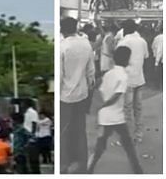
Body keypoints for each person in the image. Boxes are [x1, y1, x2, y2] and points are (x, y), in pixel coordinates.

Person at [87, 45, 143, 174]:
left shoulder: (108, 73)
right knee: (128, 146)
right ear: (127, 59)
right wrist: (105, 104)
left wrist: (99, 105)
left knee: (100, 146)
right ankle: (138, 171)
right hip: (116, 117)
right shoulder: (123, 75)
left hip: (104, 117)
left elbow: (96, 88)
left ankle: (89, 169)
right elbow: (117, 94)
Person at [59, 17, 94, 173]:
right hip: (82, 93)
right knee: (80, 129)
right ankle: (82, 162)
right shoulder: (86, 44)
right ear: (76, 28)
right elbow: (91, 71)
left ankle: (65, 163)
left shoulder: (62, 47)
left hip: (65, 96)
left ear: (62, 30)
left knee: (64, 130)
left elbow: (59, 76)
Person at [118, 19, 149, 142]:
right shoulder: (142, 41)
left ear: (125, 29)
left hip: (127, 80)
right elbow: (146, 56)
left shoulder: (124, 42)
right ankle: (139, 135)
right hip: (140, 79)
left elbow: (119, 61)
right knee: (138, 108)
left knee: (126, 109)